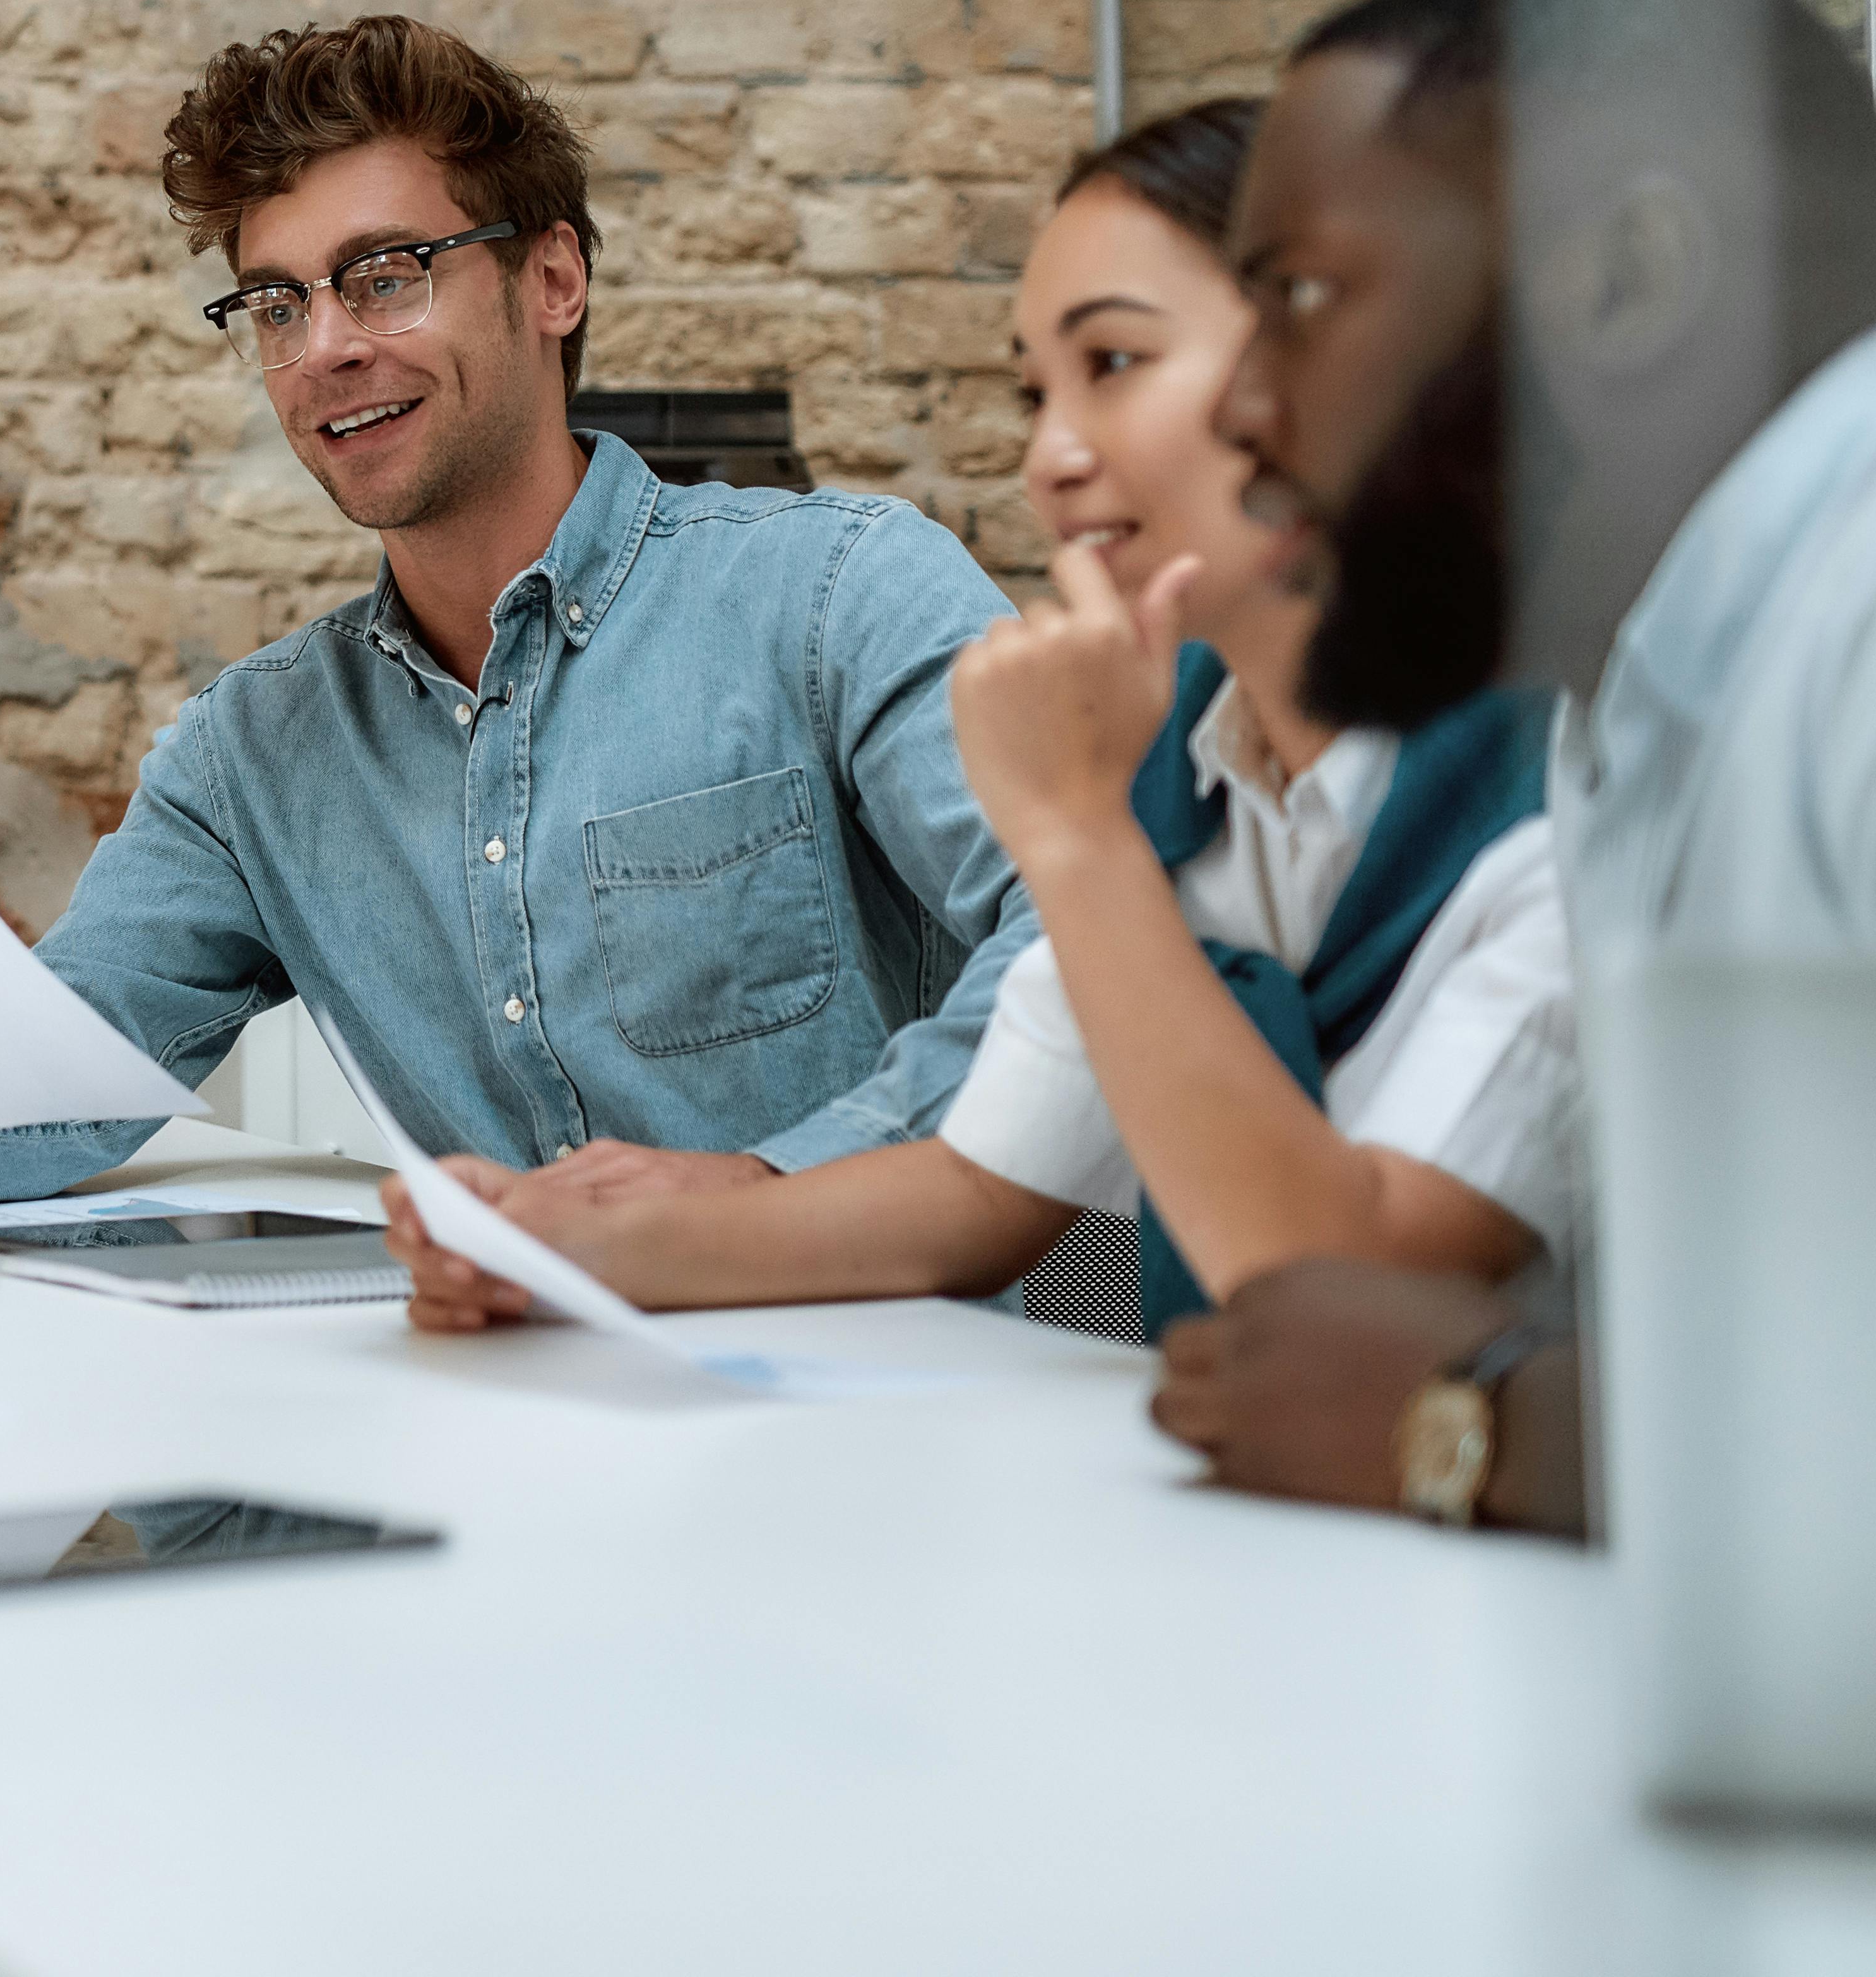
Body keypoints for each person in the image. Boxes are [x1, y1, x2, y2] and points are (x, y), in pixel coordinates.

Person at [0, 15, 1042, 1211]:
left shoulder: (838, 595)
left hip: (871, 1400)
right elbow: (51, 1080)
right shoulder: (256, 757)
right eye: (275, 305)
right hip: (511, 1422)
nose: (326, 346)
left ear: (552, 279)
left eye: (383, 276)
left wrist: (771, 1192)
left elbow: (1080, 949)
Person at [374, 102, 1582, 1336]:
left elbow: (1346, 1294)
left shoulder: (1570, 797)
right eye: (1032, 392)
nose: (1048, 459)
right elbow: (974, 1194)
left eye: (1111, 364)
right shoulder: (1191, 773)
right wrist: (560, 1243)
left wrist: (1070, 832)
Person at [1142, 0, 1876, 1531]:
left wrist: (1481, 1411)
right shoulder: (1637, 689)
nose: (1237, 410)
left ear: (1627, 280)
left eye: (1299, 298)